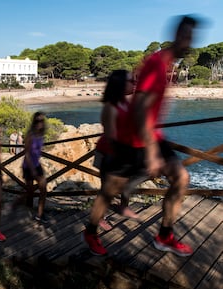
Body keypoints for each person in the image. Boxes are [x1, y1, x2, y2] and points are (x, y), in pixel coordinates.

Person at [83, 15, 199, 256]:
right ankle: (91, 232)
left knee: (181, 178)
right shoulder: (155, 64)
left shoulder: (167, 66)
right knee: (108, 193)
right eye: (188, 37)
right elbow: (139, 110)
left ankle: (165, 235)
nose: (191, 43)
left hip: (151, 136)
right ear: (178, 36)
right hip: (131, 142)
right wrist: (152, 153)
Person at [93, 69, 140, 230]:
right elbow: (111, 136)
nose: (134, 83)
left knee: (114, 187)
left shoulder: (125, 103)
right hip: (108, 153)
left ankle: (120, 207)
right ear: (120, 84)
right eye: (131, 81)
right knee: (106, 190)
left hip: (119, 153)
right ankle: (98, 220)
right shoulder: (110, 107)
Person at [8, 112, 48, 224]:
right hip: (28, 166)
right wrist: (33, 170)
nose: (40, 123)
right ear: (34, 122)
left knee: (43, 190)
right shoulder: (30, 134)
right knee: (30, 192)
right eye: (37, 121)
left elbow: (38, 151)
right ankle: (16, 203)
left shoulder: (41, 134)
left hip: (37, 165)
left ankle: (40, 214)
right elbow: (27, 153)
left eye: (42, 121)